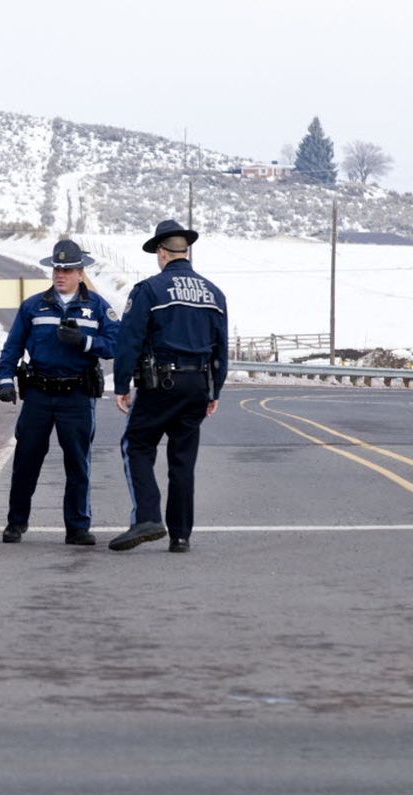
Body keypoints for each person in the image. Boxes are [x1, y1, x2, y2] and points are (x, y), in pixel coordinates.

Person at [107, 220, 228, 554]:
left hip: (161, 383)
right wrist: (214, 390)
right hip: (198, 386)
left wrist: (120, 384)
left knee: (137, 445)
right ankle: (180, 535)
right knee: (182, 459)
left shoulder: (150, 290)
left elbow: (129, 339)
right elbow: (221, 346)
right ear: (185, 252)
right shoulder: (214, 293)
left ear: (162, 253)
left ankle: (147, 516)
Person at [0, 239, 119, 546]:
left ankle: (77, 526)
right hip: (38, 393)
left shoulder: (98, 308)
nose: (60, 274)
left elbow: (117, 344)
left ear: (81, 272)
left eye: (68, 269)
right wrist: (5, 380)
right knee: (26, 460)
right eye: (57, 269)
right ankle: (16, 522)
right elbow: (13, 346)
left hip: (76, 394)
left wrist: (85, 342)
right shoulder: (33, 306)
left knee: (78, 463)